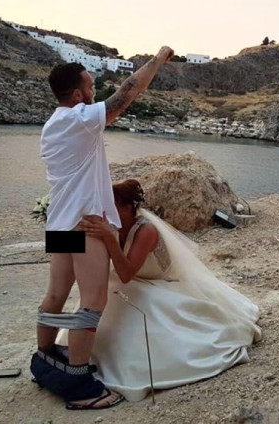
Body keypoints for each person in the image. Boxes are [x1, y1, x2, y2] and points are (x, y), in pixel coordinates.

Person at [33, 47, 174, 410]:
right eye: (91, 86)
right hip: (87, 224)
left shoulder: (52, 125)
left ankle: (46, 359)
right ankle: (80, 385)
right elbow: (125, 96)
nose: (95, 91)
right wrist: (156, 61)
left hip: (61, 220)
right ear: (78, 95)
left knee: (55, 295)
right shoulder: (78, 118)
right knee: (93, 302)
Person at [60, 179, 262, 402]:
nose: (106, 211)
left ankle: (137, 364)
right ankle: (85, 356)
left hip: (161, 283)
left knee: (142, 301)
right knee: (105, 294)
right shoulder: (113, 225)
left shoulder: (146, 230)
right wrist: (68, 237)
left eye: (112, 205)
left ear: (128, 207)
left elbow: (126, 274)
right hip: (134, 283)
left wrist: (109, 238)